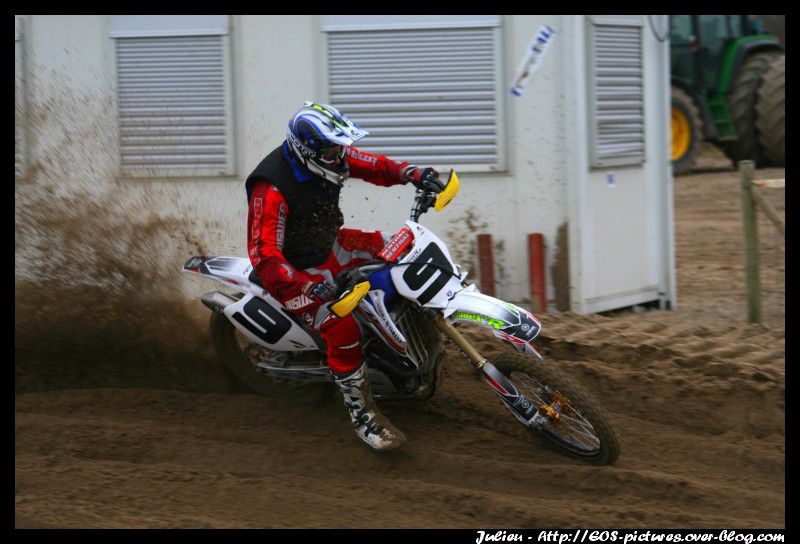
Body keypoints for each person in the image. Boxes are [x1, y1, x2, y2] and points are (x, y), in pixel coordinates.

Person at [245, 102, 445, 451]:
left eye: (341, 146)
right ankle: (362, 414)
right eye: (333, 148)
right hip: (294, 273)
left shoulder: (329, 156)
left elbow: (375, 166)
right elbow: (264, 255)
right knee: (342, 327)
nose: (341, 155)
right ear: (309, 149)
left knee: (398, 252)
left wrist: (411, 172)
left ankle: (413, 340)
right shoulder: (271, 188)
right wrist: (308, 285)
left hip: (330, 244)